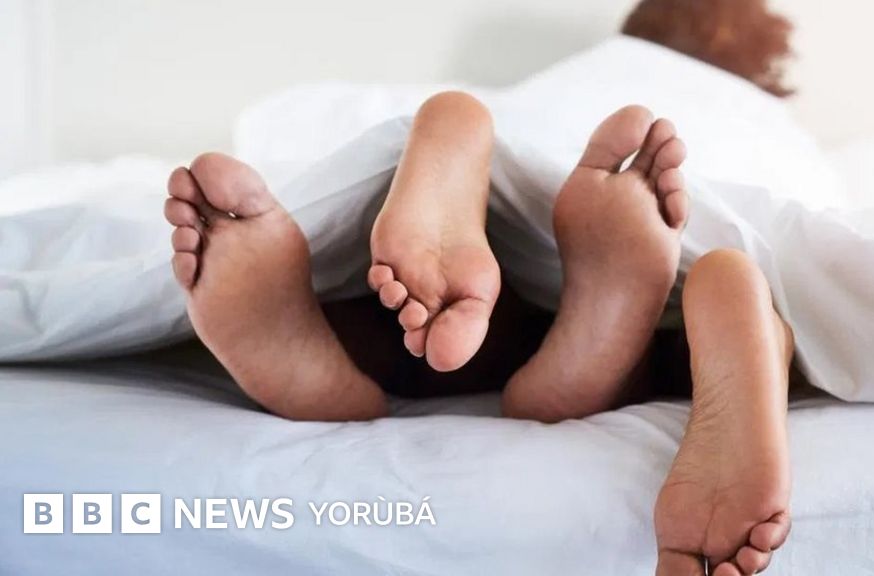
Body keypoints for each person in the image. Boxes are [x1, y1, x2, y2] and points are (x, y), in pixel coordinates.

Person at [164, 92, 792, 575]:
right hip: (559, 315)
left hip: (416, 319)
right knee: (688, 343)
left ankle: (312, 357)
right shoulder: (751, 111)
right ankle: (681, 338)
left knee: (401, 313)